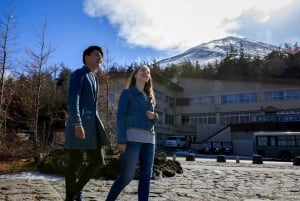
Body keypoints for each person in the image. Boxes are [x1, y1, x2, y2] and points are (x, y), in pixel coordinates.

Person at [105, 65, 158, 201]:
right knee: (126, 177)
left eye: (148, 72)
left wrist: (155, 117)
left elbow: (151, 120)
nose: (145, 72)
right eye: (142, 70)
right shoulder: (127, 94)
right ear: (135, 75)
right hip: (132, 139)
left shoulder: (150, 98)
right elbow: (120, 117)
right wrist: (121, 140)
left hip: (150, 141)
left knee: (146, 177)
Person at [64, 45, 110, 201]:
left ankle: (73, 193)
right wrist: (77, 123)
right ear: (86, 57)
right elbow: (73, 99)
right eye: (96, 54)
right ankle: (72, 196)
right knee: (75, 163)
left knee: (98, 161)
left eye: (101, 56)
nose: (100, 58)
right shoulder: (79, 74)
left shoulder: (94, 78)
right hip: (80, 125)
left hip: (92, 127)